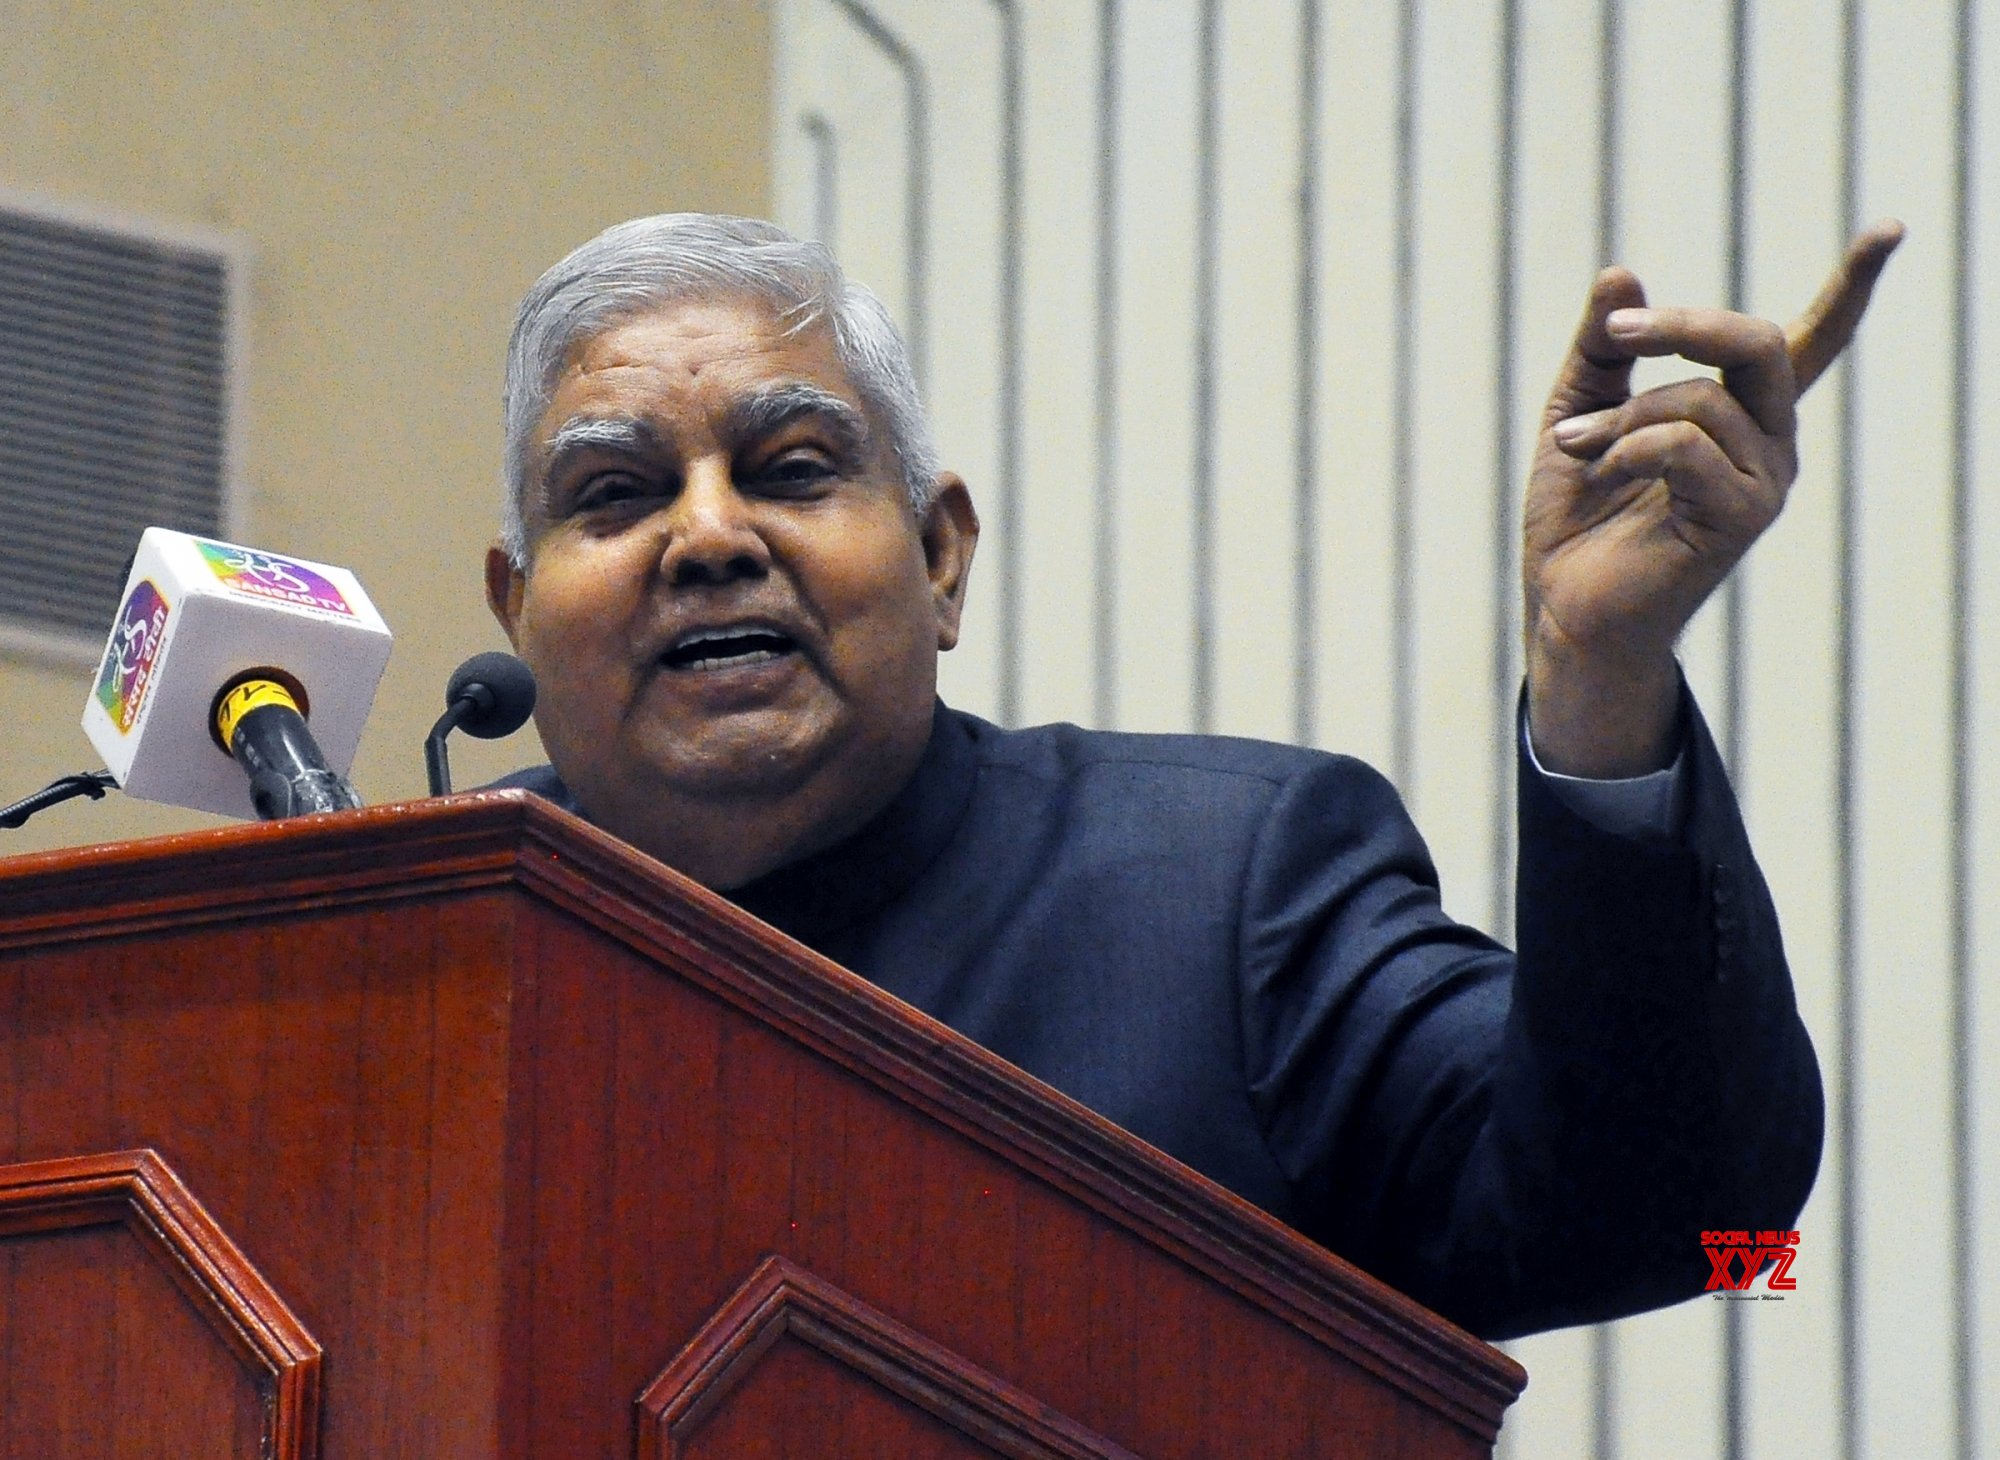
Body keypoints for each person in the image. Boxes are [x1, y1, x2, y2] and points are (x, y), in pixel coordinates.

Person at [484, 212, 1900, 1339]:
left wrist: (1601, 673)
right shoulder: (415, 959)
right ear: (514, 611)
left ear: (939, 560)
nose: (710, 534)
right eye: (616, 493)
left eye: (792, 469)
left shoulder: (1226, 892)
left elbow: (1712, 1227)